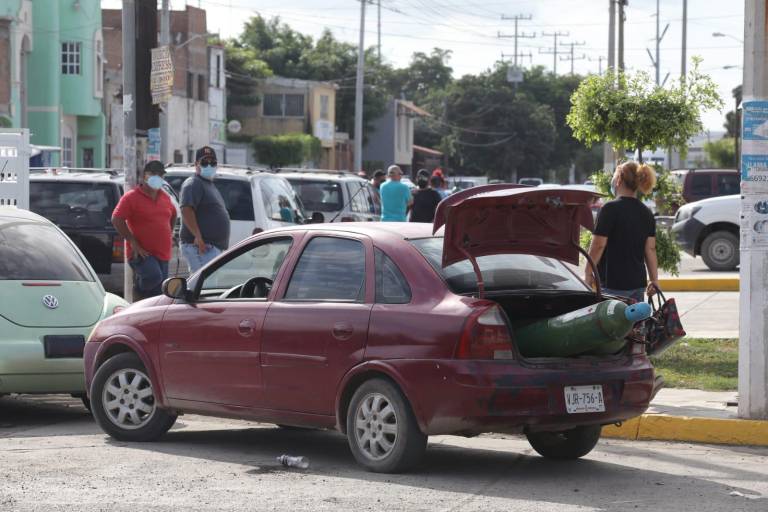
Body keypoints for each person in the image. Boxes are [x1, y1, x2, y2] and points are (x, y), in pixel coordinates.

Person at [585, 161, 659, 303]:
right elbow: (650, 249)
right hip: (637, 284)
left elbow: (598, 245)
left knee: (612, 325)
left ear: (618, 179)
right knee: (634, 324)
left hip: (612, 284)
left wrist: (588, 272)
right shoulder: (646, 212)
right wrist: (654, 279)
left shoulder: (609, 209)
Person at [112, 161, 176, 299]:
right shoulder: (132, 197)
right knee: (153, 276)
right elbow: (117, 219)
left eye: (160, 174)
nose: (157, 177)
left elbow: (174, 214)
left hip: (163, 253)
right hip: (142, 253)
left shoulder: (165, 197)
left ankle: (145, 311)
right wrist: (133, 242)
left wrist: (170, 234)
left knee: (159, 293)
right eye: (153, 173)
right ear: (144, 176)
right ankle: (138, 291)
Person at [179, 146, 231, 272]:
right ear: (196, 164)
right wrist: (198, 236)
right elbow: (186, 209)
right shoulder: (193, 183)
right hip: (201, 246)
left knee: (207, 286)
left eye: (213, 162)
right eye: (205, 162)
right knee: (203, 286)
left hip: (210, 247)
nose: (209, 165)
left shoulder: (208, 184)